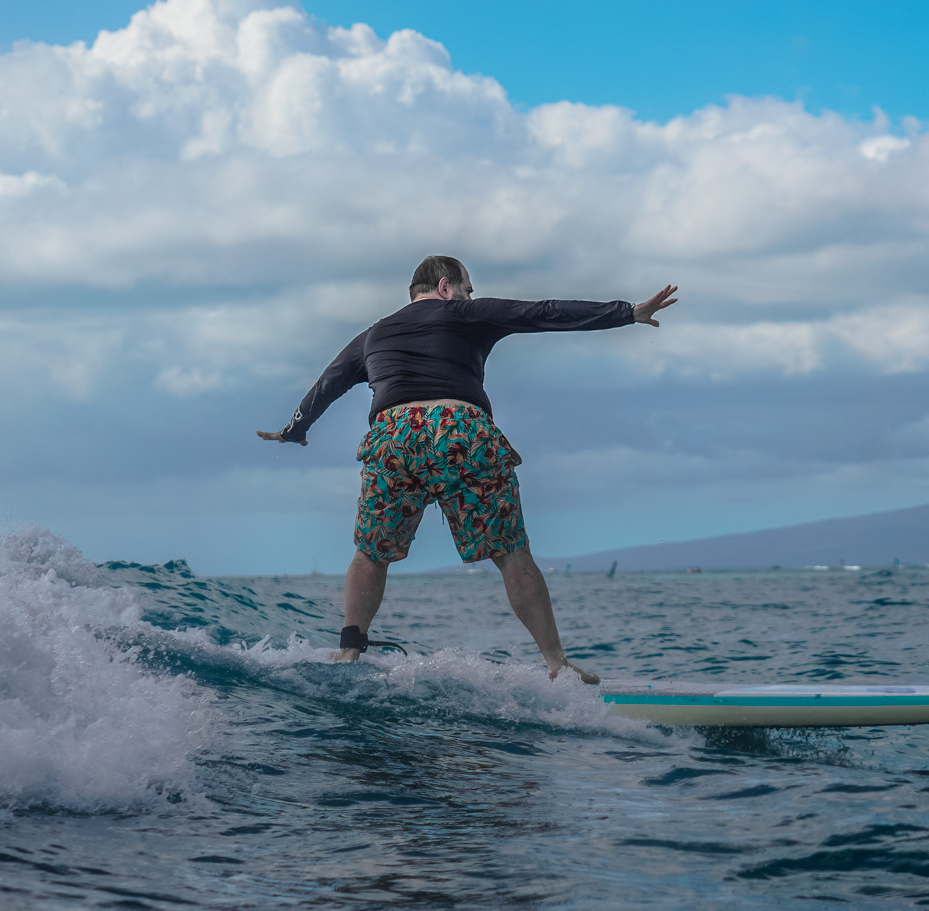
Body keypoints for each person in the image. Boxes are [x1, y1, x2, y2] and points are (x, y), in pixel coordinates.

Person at [260, 256, 678, 684]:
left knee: (371, 554)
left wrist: (293, 431)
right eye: (468, 289)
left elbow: (329, 382)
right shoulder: (464, 312)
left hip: (393, 438)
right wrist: (627, 312)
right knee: (513, 555)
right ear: (445, 288)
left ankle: (349, 651)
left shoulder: (373, 334)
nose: (471, 296)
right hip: (460, 431)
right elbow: (544, 312)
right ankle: (557, 665)